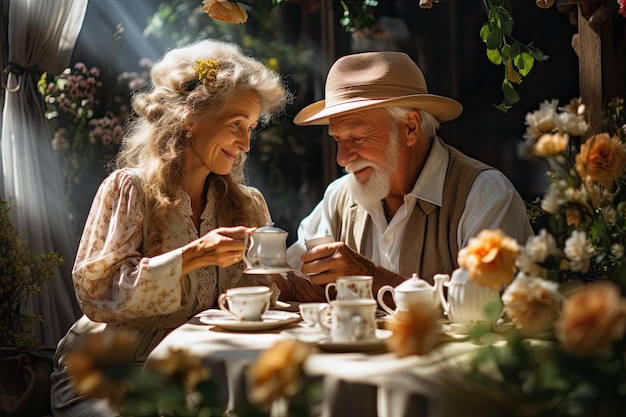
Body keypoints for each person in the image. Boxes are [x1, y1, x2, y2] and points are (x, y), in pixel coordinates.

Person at [50, 39, 292, 416]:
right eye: (236, 124)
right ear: (190, 115)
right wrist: (194, 256)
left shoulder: (246, 205)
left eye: (251, 128)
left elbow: (256, 300)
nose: (245, 142)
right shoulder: (129, 189)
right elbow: (97, 293)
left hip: (201, 374)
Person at [274, 51, 534, 302]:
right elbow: (290, 276)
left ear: (410, 127)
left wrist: (372, 277)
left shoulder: (484, 194)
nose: (342, 158)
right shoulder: (340, 196)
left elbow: (488, 305)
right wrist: (249, 261)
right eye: (337, 140)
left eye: (356, 137)